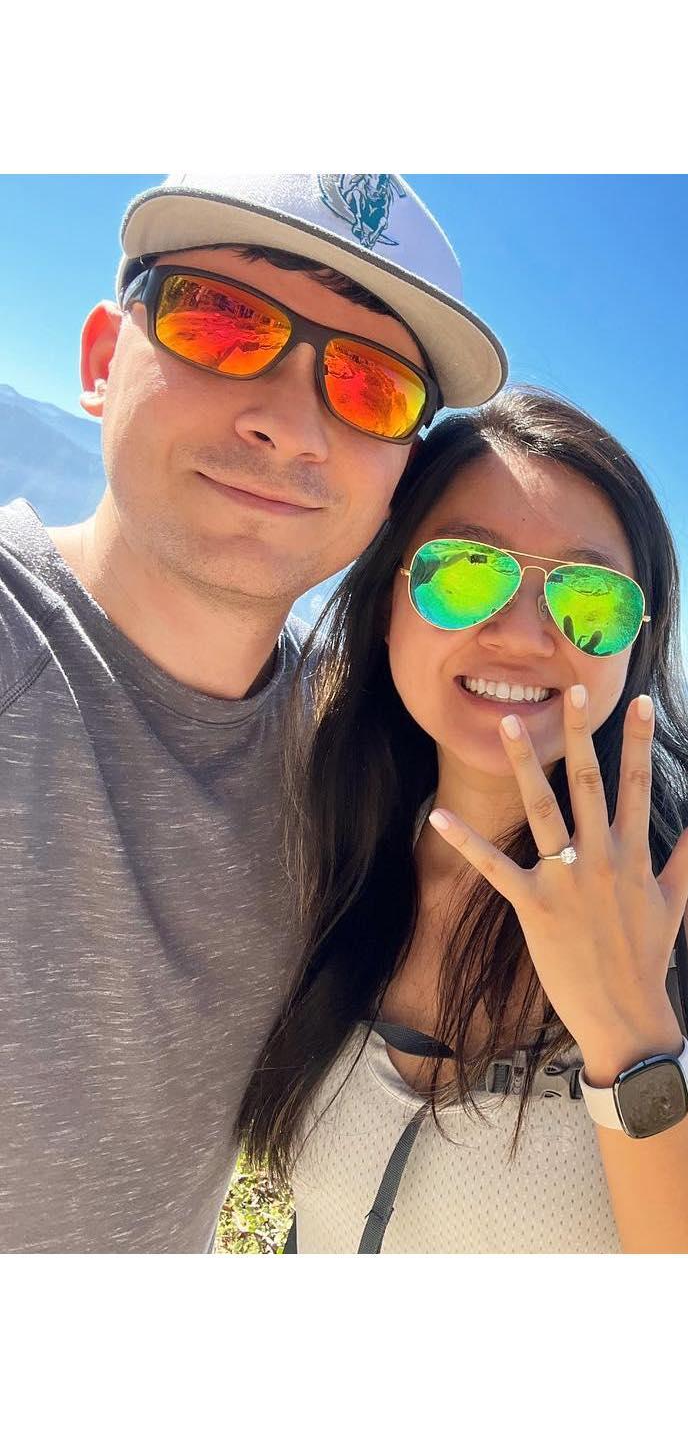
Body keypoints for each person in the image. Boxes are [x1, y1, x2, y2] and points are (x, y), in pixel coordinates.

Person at [0, 174, 507, 1252]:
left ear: (397, 478)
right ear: (102, 360)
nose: (291, 423)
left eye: (370, 388)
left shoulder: (352, 769)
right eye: (221, 322)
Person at [237, 388, 688, 1252]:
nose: (523, 633)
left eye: (590, 599)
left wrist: (631, 1033)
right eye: (466, 572)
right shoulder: (323, 832)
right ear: (388, 600)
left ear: (636, 647)